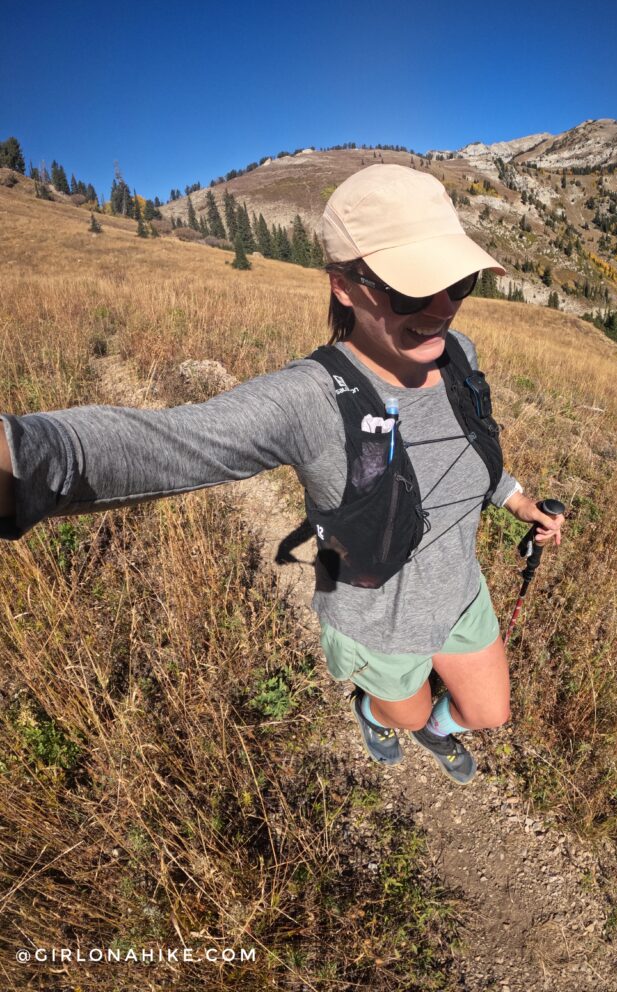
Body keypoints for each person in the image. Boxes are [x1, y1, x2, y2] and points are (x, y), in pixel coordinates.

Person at [0, 164, 564, 785]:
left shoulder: (459, 357)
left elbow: (469, 453)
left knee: (488, 713)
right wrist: (23, 458)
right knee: (398, 714)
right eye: (410, 291)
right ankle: (376, 712)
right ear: (344, 287)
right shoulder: (310, 398)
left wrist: (517, 501)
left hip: (461, 593)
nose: (440, 309)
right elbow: (172, 442)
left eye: (458, 283)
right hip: (376, 620)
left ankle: (438, 727)